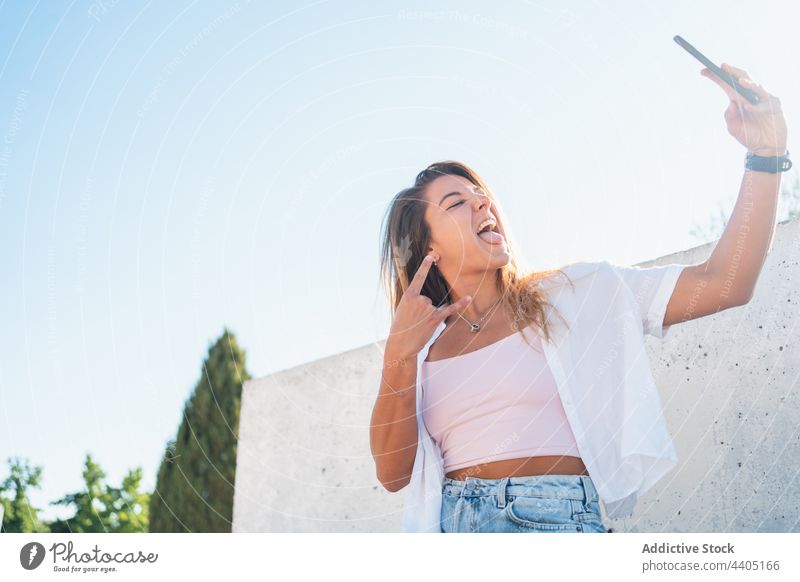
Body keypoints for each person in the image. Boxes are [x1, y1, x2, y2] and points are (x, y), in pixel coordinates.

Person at [370, 64, 788, 533]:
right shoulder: (419, 350)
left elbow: (725, 282)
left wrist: (766, 155)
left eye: (481, 195)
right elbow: (391, 474)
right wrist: (398, 356)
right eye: (456, 203)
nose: (483, 203)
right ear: (429, 247)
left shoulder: (576, 295)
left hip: (558, 522)